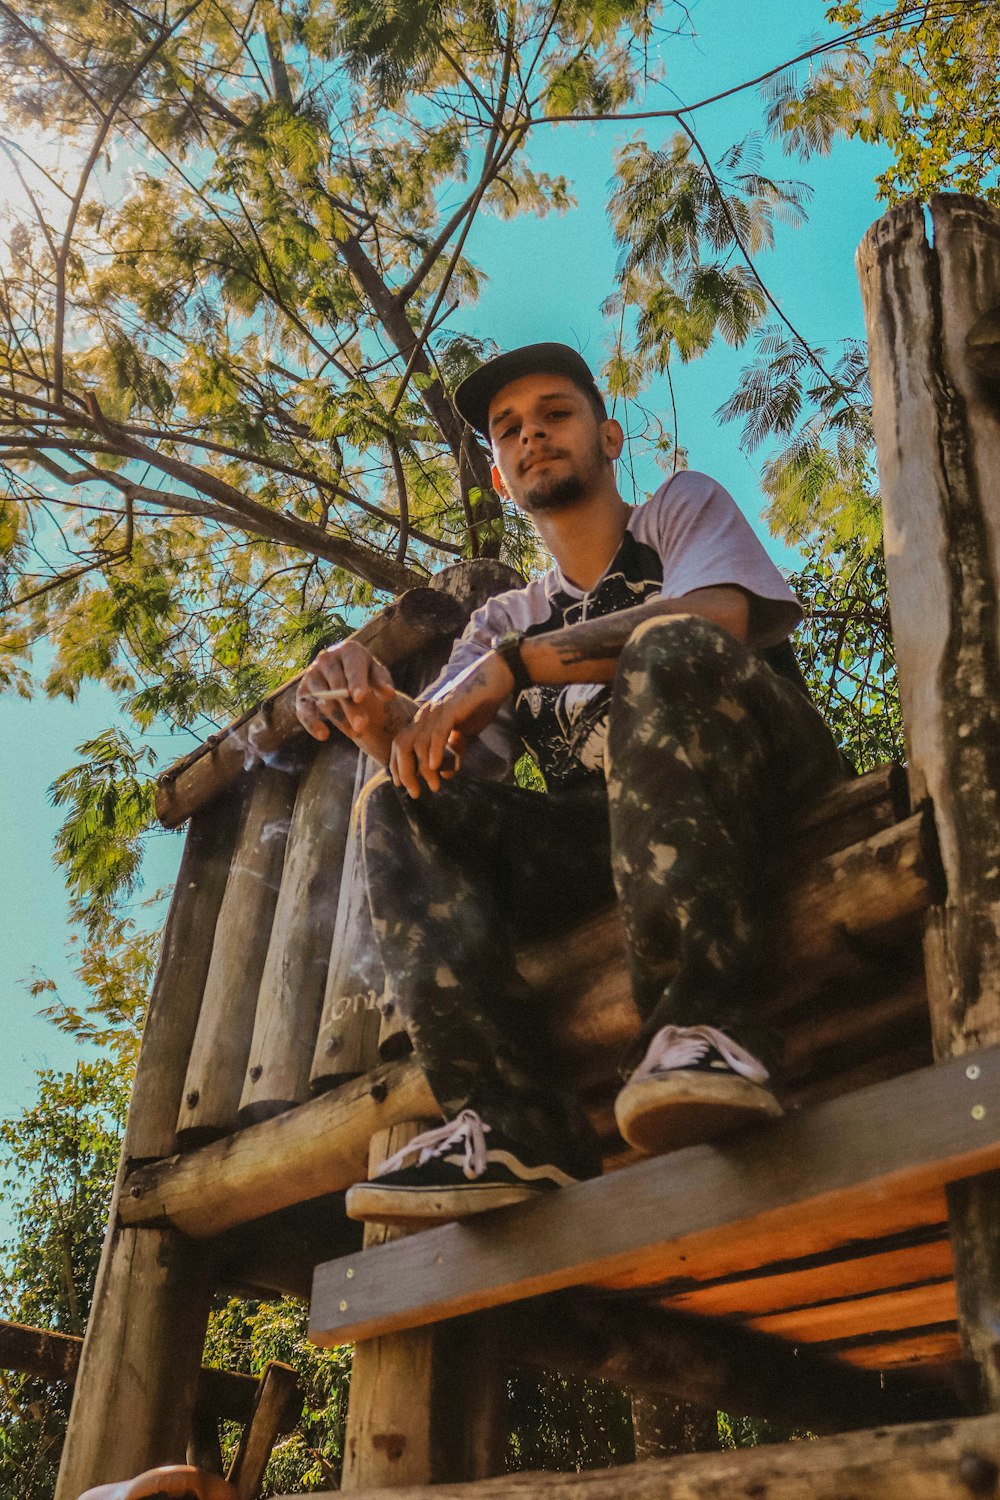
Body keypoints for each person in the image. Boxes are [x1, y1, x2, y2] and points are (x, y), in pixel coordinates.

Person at [295, 342, 844, 1227]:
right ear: (502, 478)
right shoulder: (503, 618)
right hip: (620, 842)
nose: (531, 436)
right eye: (508, 430)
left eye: (555, 413)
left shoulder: (677, 513)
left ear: (609, 435)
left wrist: (515, 669)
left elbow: (723, 617)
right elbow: (439, 755)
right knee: (398, 799)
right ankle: (512, 1123)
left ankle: (706, 1023)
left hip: (767, 795)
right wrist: (379, 718)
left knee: (664, 646)